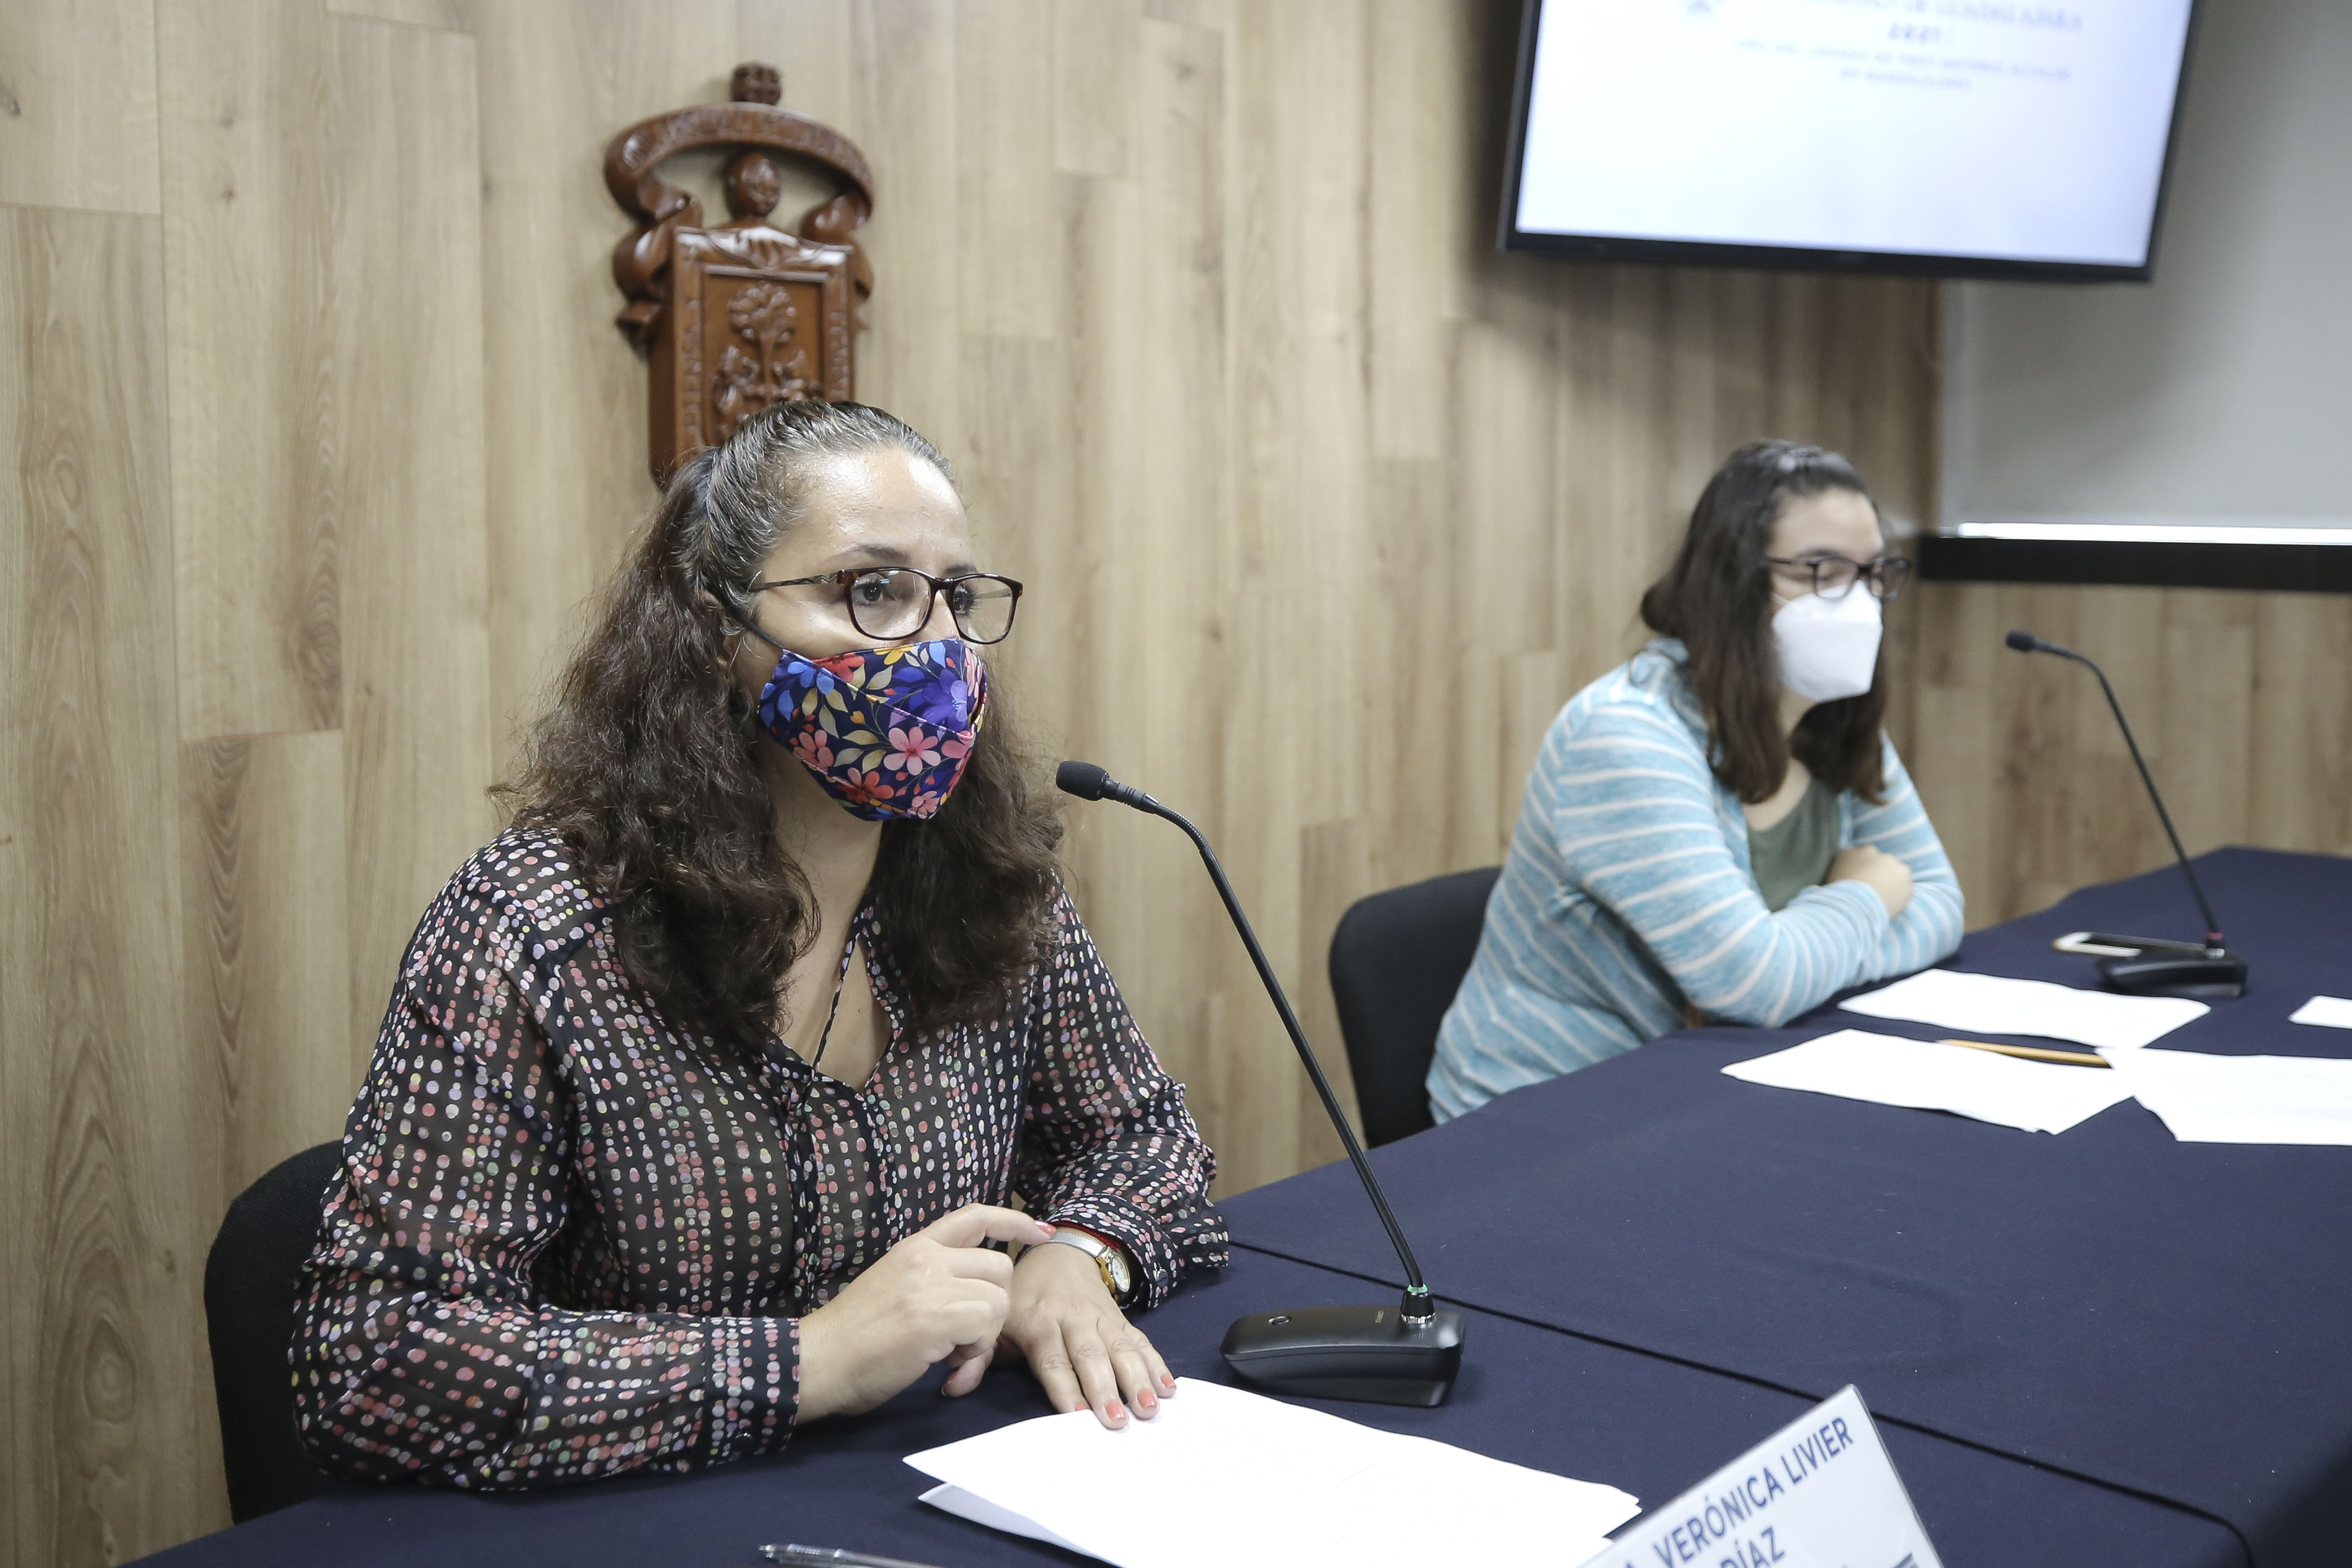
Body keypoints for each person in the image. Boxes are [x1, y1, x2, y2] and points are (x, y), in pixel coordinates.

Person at [293, 400, 1227, 1489]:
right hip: (638, 1514)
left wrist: (1078, 1255)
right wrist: (807, 1361)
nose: (936, 646)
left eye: (957, 597)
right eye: (872, 590)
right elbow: (373, 1353)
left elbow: (1145, 1137)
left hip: (936, 1485)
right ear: (716, 626)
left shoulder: (990, 885)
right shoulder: (538, 928)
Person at [1428, 440, 1963, 1120]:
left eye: (1873, 572)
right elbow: (1754, 983)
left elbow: (1940, 903)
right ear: (1733, 580)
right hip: (1546, 1112)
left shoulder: (1831, 717)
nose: (1858, 602)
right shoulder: (1627, 734)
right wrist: (1865, 897)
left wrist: (1800, 959)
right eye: (1821, 571)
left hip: (1715, 1085)